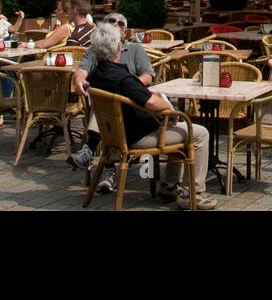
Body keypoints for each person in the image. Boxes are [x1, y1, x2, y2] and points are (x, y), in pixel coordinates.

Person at [83, 22, 216, 209]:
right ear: (119, 46)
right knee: (199, 133)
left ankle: (170, 186)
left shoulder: (96, 75)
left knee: (175, 127)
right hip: (138, 137)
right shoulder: (122, 78)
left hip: (114, 136)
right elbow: (152, 102)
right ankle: (191, 193)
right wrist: (170, 110)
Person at [72, 11, 154, 186]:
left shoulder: (135, 49)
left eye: (120, 24)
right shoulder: (97, 50)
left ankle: (90, 150)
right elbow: (82, 71)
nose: (115, 25)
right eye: (110, 22)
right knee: (105, 102)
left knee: (107, 101)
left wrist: (129, 87)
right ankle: (106, 167)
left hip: (133, 106)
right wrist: (79, 80)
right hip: (108, 109)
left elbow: (148, 76)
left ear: (125, 33)